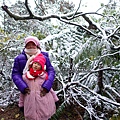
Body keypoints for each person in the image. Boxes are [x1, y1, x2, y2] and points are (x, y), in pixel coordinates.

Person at [11, 36, 57, 118]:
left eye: (33, 44)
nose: (31, 46)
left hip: (42, 90)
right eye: (28, 44)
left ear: (37, 45)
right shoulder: (19, 58)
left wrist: (47, 85)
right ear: (25, 46)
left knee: (45, 112)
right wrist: (23, 87)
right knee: (31, 113)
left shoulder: (44, 57)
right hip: (28, 91)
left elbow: (51, 71)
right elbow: (15, 74)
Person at [18, 53, 58, 120]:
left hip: (44, 104)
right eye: (35, 63)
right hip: (30, 106)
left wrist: (55, 99)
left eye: (39, 64)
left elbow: (50, 89)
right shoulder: (25, 77)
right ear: (32, 64)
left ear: (42, 67)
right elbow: (22, 92)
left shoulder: (44, 76)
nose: (36, 65)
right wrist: (21, 104)